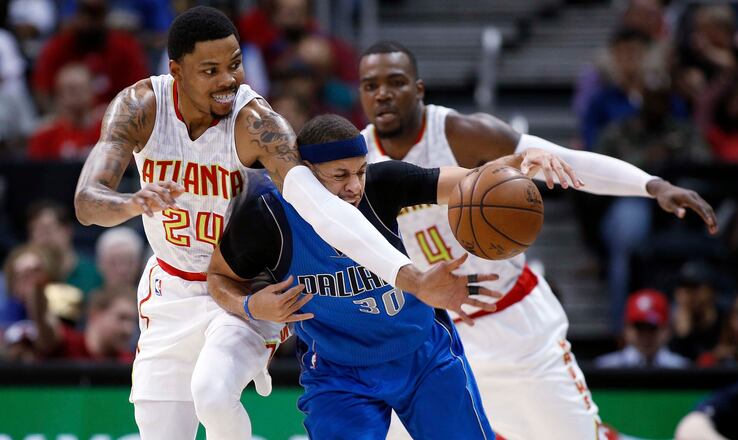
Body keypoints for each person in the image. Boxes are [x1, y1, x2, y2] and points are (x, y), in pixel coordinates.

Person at [73, 7, 489, 439]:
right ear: (176, 70)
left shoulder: (258, 124)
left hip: (243, 285)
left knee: (212, 394)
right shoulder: (140, 108)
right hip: (170, 287)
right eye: (210, 70)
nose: (228, 81)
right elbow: (87, 203)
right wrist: (131, 202)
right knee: (159, 431)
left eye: (235, 64)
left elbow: (324, 211)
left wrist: (410, 278)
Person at [357, 41, 718, 440]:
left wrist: (651, 185)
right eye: (370, 85)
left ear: (419, 89)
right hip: (432, 334)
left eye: (395, 82)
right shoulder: (356, 161)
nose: (383, 94)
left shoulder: (462, 134)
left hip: (514, 326)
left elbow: (566, 162)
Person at [207, 113, 570, 438]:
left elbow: (471, 182)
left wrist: (522, 163)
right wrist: (251, 305)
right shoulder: (266, 217)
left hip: (422, 354)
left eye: (360, 171)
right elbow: (218, 278)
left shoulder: (383, 184)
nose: (354, 186)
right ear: (303, 173)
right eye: (340, 175)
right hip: (338, 373)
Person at [595, 289, 690, 368]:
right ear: (626, 329)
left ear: (667, 330)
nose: (646, 336)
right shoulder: (604, 367)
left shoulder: (684, 367)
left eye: (652, 328)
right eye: (639, 328)